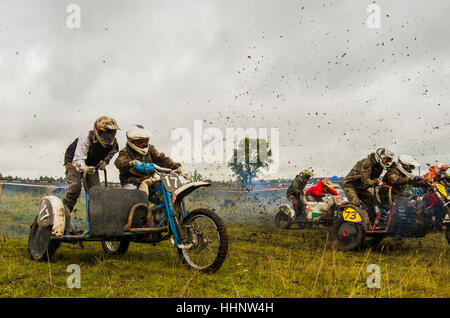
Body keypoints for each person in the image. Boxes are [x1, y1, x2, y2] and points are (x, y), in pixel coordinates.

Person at [62, 116, 120, 233]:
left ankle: (96, 224)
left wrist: (105, 161)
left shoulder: (114, 143)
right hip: (73, 160)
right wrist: (84, 167)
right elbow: (78, 159)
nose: (109, 137)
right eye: (106, 133)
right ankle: (63, 218)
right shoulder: (86, 137)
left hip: (91, 163)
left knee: (97, 192)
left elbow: (113, 152)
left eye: (112, 133)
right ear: (98, 131)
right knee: (75, 188)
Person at [114, 125, 183, 189]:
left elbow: (161, 159)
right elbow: (118, 162)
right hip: (132, 183)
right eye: (140, 142)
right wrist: (131, 163)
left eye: (146, 141)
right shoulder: (125, 151)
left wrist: (177, 166)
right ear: (131, 141)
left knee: (164, 189)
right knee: (131, 194)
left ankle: (171, 202)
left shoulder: (150, 149)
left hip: (150, 181)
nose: (144, 144)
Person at [342, 148, 395, 221]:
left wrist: (377, 182)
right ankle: (342, 218)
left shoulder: (379, 166)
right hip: (351, 185)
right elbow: (366, 181)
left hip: (361, 188)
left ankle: (370, 223)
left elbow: (370, 179)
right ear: (379, 157)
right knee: (355, 203)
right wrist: (377, 182)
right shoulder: (367, 163)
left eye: (389, 161)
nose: (387, 163)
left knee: (372, 202)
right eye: (386, 160)